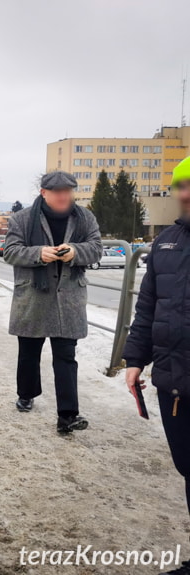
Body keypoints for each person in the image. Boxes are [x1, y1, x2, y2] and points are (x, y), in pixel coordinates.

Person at [123, 156, 190, 575]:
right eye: (180, 186)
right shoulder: (167, 242)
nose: (184, 194)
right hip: (174, 380)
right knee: (188, 468)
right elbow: (148, 306)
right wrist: (134, 359)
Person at [4, 171, 103, 433]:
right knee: (29, 353)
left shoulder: (84, 218)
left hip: (68, 298)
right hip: (34, 296)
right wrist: (39, 253)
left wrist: (75, 251)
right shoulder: (22, 219)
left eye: (68, 191)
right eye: (57, 191)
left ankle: (68, 416)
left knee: (66, 357)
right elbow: (10, 251)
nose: (63, 196)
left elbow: (96, 247)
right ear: (44, 193)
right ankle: (27, 393)